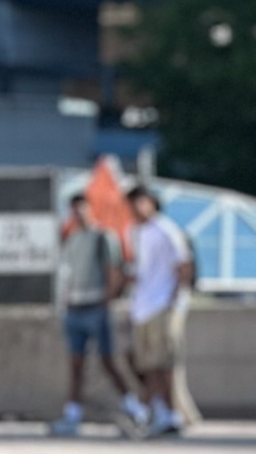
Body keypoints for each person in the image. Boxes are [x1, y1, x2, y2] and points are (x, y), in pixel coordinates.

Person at [50, 181, 145, 435]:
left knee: (108, 361)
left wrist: (106, 300)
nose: (78, 214)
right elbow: (67, 275)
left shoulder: (103, 237)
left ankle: (135, 409)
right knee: (76, 364)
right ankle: (72, 415)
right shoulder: (72, 240)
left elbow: (113, 271)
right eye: (74, 209)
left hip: (96, 308)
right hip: (75, 309)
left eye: (82, 208)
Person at [125, 181, 196, 437]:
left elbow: (184, 266)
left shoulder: (166, 229)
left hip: (163, 304)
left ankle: (172, 412)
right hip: (142, 306)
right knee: (146, 364)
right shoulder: (135, 232)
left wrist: (174, 300)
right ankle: (157, 410)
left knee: (164, 362)